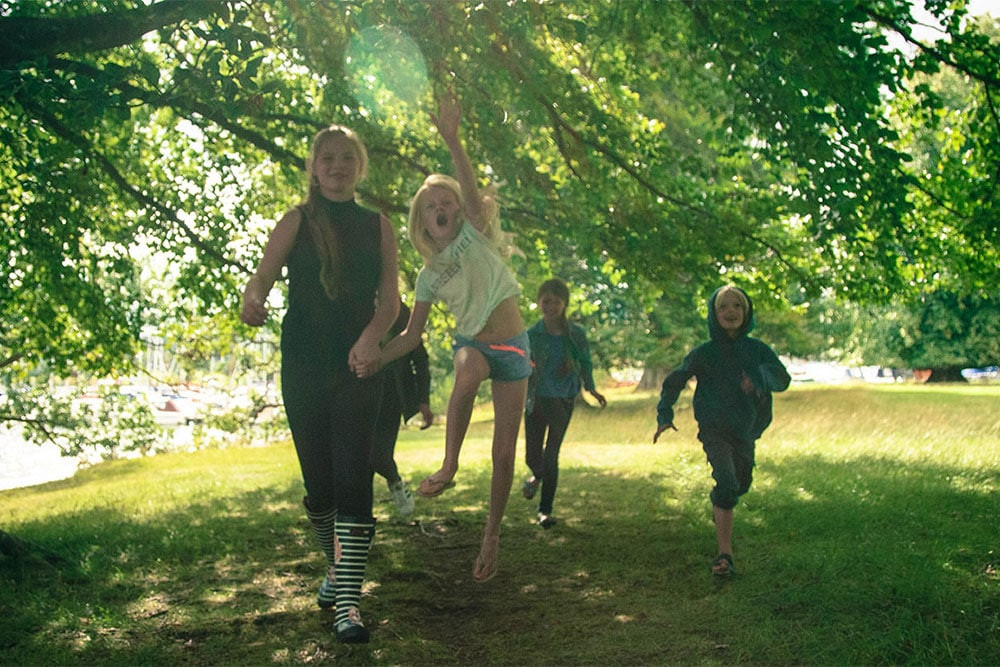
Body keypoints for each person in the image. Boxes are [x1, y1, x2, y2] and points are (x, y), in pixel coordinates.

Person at [355, 91, 530, 583]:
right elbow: (411, 335)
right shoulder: (428, 277)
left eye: (446, 201)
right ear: (421, 221)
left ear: (459, 211)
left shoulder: (475, 233)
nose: (441, 207)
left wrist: (453, 140)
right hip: (473, 344)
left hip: (516, 348)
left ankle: (491, 537)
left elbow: (471, 191)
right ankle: (449, 463)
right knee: (468, 369)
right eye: (431, 205)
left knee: (502, 456)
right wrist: (378, 357)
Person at [240, 124, 399, 643]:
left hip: (359, 368)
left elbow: (392, 303)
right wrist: (253, 298)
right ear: (313, 167)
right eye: (326, 158)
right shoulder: (297, 221)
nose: (336, 166)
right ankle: (335, 568)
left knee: (354, 479)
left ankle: (348, 603)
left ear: (359, 167)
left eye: (346, 159)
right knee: (320, 489)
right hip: (304, 366)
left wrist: (373, 339)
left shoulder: (379, 226)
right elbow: (261, 276)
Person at [653, 285, 790, 576]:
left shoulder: (757, 349)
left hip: (746, 430)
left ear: (747, 312)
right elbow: (674, 381)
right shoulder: (705, 353)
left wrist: (758, 379)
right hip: (714, 429)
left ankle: (721, 505)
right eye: (723, 307)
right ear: (714, 315)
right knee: (726, 483)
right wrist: (664, 414)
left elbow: (782, 378)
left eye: (737, 306)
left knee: (740, 484)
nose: (731, 312)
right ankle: (724, 554)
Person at [521, 278, 606, 529]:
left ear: (564, 304)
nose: (551, 306)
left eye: (556, 301)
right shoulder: (531, 335)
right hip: (536, 400)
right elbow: (522, 364)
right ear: (538, 303)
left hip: (563, 399)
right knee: (531, 456)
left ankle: (545, 511)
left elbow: (586, 362)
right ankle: (536, 477)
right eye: (546, 301)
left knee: (551, 455)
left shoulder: (575, 334)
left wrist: (591, 387)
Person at [372, 301, 434, 516]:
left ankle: (395, 481)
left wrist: (423, 399)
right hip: (359, 392)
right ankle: (361, 520)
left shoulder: (402, 313)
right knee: (363, 457)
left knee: (380, 453)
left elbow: (420, 360)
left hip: (392, 396)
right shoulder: (354, 306)